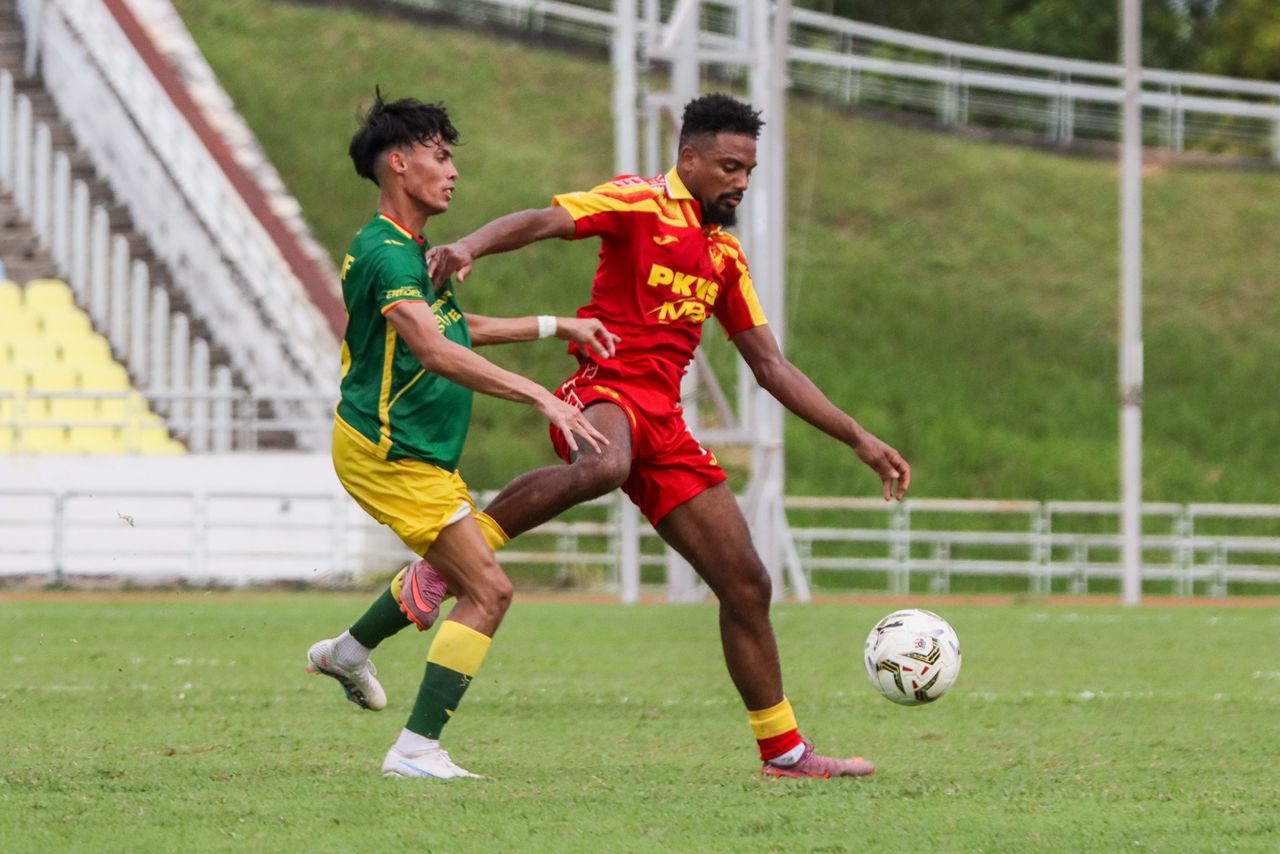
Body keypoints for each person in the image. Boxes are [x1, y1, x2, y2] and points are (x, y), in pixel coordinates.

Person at [421, 92, 911, 779]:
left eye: (748, 170)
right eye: (729, 166)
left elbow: (770, 367)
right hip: (604, 388)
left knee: (747, 584)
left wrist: (858, 437)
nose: (740, 182)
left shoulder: (724, 255)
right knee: (604, 464)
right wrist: (470, 244)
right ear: (690, 157)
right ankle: (452, 558)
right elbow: (544, 218)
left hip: (666, 424)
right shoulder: (636, 201)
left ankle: (786, 754)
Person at [304, 91, 619, 780]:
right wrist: (543, 396)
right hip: (390, 454)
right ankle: (415, 749)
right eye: (438, 156)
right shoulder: (387, 254)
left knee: (448, 573)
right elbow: (433, 350)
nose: (451, 172)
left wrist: (555, 325)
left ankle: (348, 653)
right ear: (398, 163)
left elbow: (454, 328)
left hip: (414, 452)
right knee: (491, 590)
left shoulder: (409, 250)